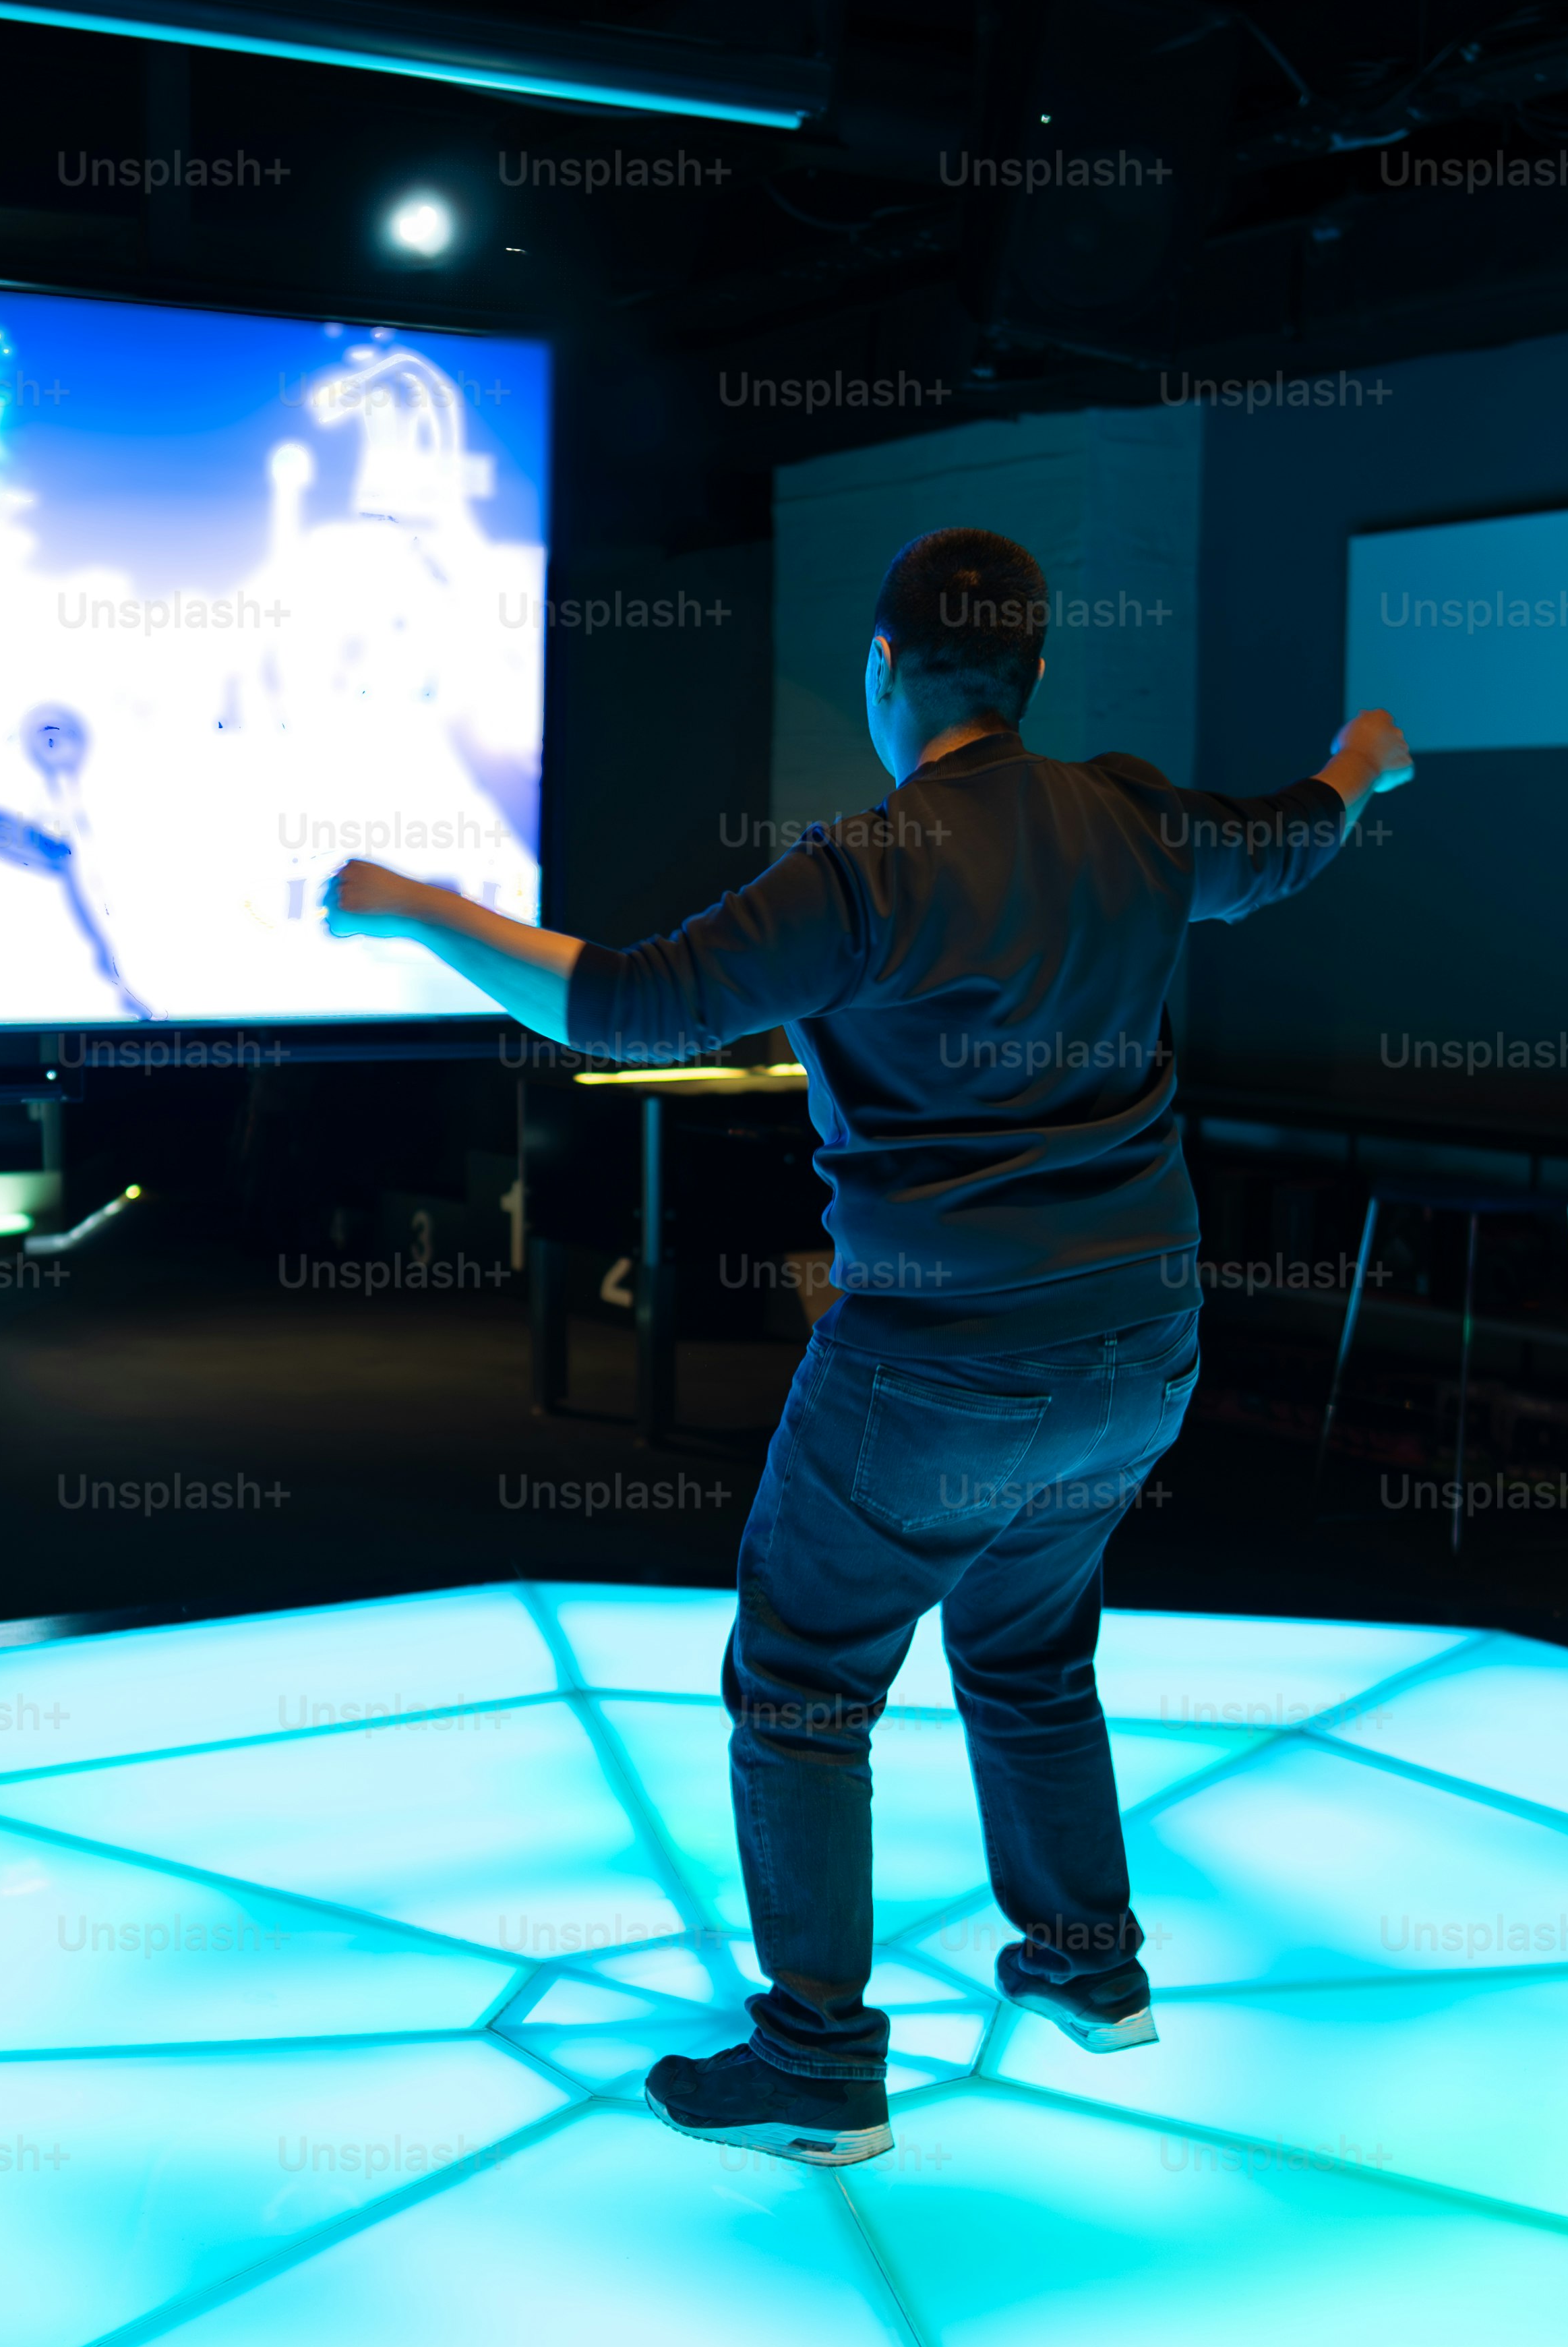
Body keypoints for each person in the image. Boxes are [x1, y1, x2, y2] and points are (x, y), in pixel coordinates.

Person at [322, 527, 1416, 2166]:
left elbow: (625, 1004)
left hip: (938, 1365)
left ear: (883, 671)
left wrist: (409, 905)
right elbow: (1288, 837)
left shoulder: (868, 865)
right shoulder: (1129, 817)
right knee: (1031, 1651)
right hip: (1141, 1345)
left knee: (804, 1686)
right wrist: (1361, 760)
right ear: (1033, 676)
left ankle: (819, 2062)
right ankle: (1087, 1966)